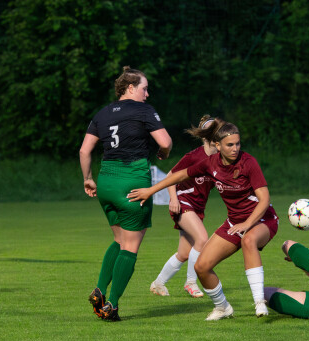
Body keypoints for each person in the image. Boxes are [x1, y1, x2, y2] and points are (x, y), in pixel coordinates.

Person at [127, 118, 279, 320]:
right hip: (233, 222)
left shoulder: (248, 162)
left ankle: (259, 303)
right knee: (201, 266)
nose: (235, 149)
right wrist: (151, 191)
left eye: (238, 144)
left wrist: (247, 224)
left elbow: (264, 199)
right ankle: (222, 307)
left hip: (262, 220)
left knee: (248, 240)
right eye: (230, 145)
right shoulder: (209, 163)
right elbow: (178, 175)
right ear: (218, 145)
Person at [79, 66, 172, 321]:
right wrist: (163, 153)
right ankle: (113, 304)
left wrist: (88, 179)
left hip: (106, 181)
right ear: (130, 87)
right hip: (132, 181)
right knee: (130, 246)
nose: (147, 93)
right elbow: (164, 142)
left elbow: (84, 151)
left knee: (120, 240)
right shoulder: (144, 110)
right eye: (144, 88)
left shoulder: (103, 113)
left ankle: (100, 289)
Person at [150, 115, 217, 298]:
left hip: (198, 208)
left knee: (184, 253)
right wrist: (173, 199)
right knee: (202, 239)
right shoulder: (194, 156)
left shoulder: (220, 159)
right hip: (183, 202)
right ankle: (191, 283)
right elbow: (170, 176)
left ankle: (158, 283)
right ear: (204, 136)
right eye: (211, 130)